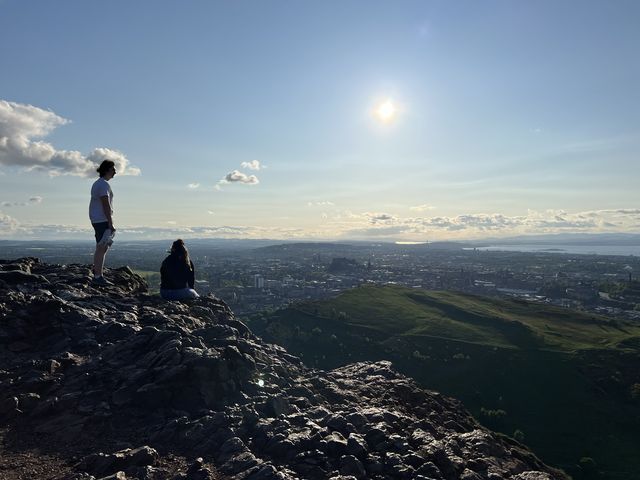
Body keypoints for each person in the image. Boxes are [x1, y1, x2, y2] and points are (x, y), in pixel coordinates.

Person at [89, 160, 116, 286]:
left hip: (98, 219)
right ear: (106, 170)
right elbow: (106, 204)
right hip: (102, 219)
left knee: (101, 247)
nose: (115, 171)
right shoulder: (103, 185)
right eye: (112, 169)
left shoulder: (98, 184)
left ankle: (97, 273)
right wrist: (110, 223)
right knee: (102, 247)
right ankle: (98, 277)